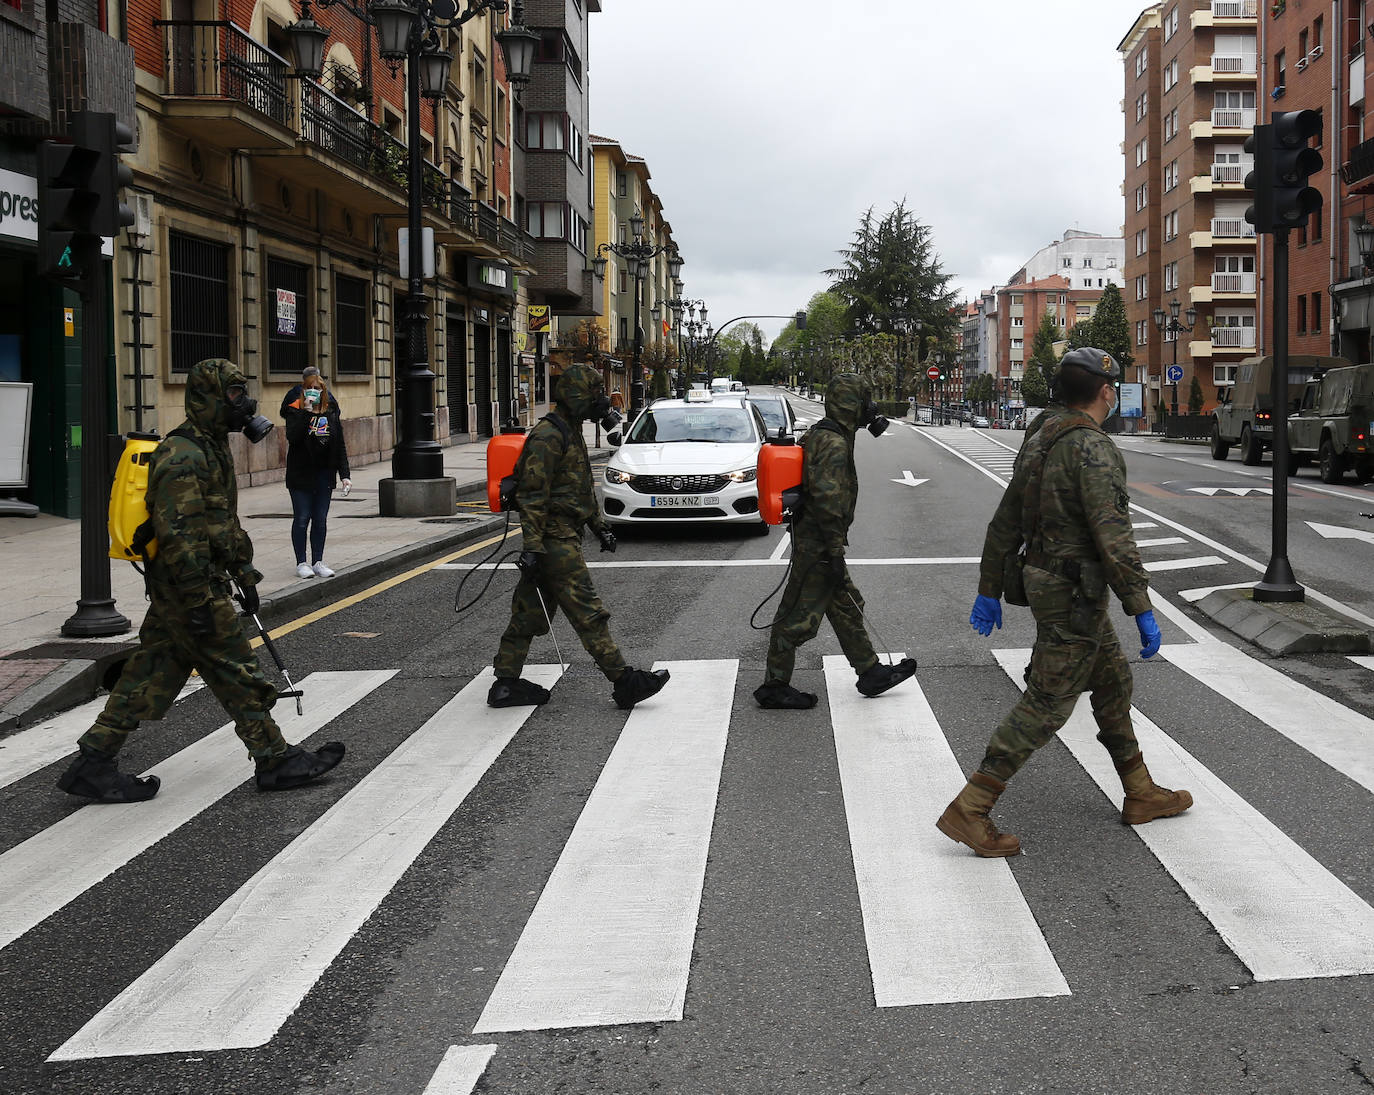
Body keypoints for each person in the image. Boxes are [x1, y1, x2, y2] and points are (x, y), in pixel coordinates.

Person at [937, 348, 1188, 857]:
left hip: (1054, 582)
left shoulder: (1041, 436)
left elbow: (1006, 518)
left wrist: (989, 587)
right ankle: (972, 805)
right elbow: (1112, 536)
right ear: (1104, 391)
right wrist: (1140, 606)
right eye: (1114, 387)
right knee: (1049, 700)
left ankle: (1139, 791)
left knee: (1113, 681)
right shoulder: (1092, 448)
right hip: (1074, 590)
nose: (1115, 394)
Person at [56, 359, 345, 803]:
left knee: (150, 671)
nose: (242, 403)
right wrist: (197, 601)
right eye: (232, 395)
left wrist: (244, 573)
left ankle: (92, 762)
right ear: (206, 398)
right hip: (189, 587)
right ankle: (274, 759)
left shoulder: (210, 447)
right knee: (236, 668)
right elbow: (181, 534)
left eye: (241, 393)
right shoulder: (183, 454)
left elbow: (220, 523)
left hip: (189, 586)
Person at [488, 361, 669, 711]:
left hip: (557, 535)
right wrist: (532, 547)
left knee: (527, 613)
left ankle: (506, 683)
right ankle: (624, 681)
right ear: (575, 396)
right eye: (594, 394)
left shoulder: (568, 429)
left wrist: (599, 526)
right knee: (588, 611)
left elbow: (579, 490)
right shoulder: (549, 435)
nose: (600, 401)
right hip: (553, 540)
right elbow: (533, 495)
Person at [754, 373, 918, 710]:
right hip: (819, 546)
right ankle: (774, 685)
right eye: (864, 399)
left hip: (818, 541)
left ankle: (870, 671)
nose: (869, 407)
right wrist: (833, 549)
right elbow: (827, 499)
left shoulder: (825, 433)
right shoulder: (834, 442)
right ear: (851, 403)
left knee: (846, 606)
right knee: (797, 617)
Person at [280, 366, 351, 579]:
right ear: (303, 390)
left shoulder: (330, 411)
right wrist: (305, 412)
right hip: (300, 474)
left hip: (324, 474)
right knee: (302, 518)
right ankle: (302, 562)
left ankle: (318, 561)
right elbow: (293, 437)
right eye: (310, 388)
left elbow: (339, 444)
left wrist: (345, 474)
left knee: (320, 519)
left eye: (318, 389)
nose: (314, 392)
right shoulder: (295, 410)